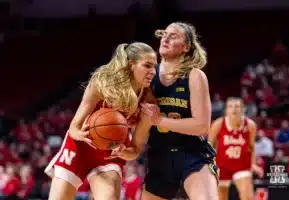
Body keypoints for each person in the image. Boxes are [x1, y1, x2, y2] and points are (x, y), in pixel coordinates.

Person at [44, 42, 157, 200]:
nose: (153, 71)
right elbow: (75, 127)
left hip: (111, 152)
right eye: (147, 65)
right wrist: (81, 134)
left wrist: (125, 152)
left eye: (154, 67)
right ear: (131, 65)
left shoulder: (149, 101)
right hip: (80, 147)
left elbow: (136, 149)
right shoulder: (103, 82)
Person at [140, 22, 219, 200]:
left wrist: (159, 121)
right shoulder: (148, 75)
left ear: (186, 47)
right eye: (164, 34)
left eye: (173, 36)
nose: (165, 38)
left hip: (192, 155)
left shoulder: (194, 76)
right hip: (159, 157)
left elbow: (201, 126)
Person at [209, 97, 264, 200]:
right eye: (230, 107)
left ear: (243, 109)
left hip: (242, 165)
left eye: (237, 106)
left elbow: (251, 147)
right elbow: (209, 146)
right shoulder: (218, 124)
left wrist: (253, 164)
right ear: (226, 110)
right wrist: (209, 165)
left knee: (247, 197)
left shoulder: (250, 125)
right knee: (220, 197)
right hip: (222, 165)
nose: (234, 109)